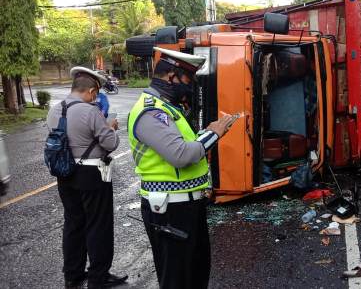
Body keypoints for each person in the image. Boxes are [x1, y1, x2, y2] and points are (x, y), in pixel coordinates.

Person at [128, 47, 236, 289]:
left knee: (196, 271)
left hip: (186, 206)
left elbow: (185, 144)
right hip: (169, 209)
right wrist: (214, 133)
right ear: (170, 77)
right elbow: (181, 155)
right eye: (188, 79)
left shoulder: (168, 108)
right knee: (177, 278)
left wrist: (205, 134)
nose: (191, 85)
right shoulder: (150, 111)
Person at [46, 67, 128, 289]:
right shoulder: (90, 112)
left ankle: (73, 274)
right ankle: (98, 277)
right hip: (92, 174)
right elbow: (110, 144)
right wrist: (110, 128)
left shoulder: (55, 110)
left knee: (73, 223)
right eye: (96, 93)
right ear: (91, 91)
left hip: (65, 173)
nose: (96, 97)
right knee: (98, 225)